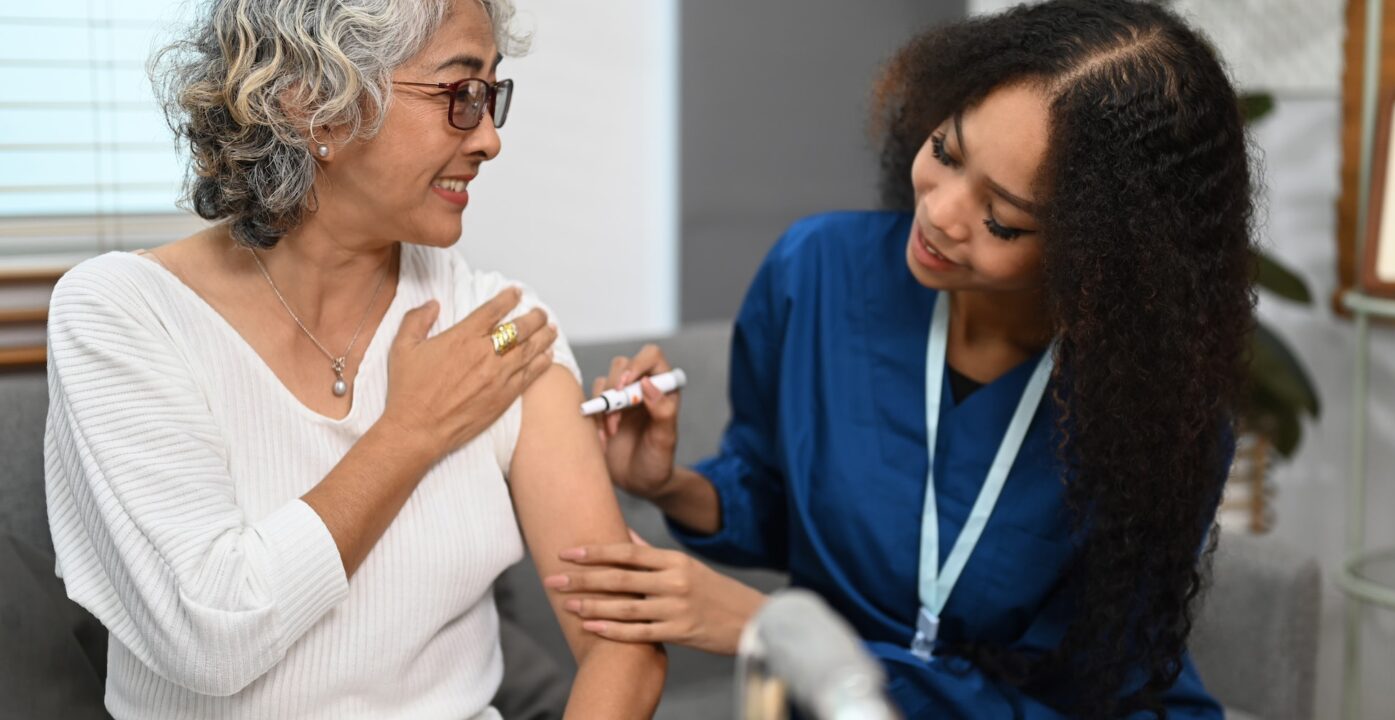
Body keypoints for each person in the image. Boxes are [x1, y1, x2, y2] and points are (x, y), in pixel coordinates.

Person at [550, 1, 1253, 717]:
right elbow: (773, 497)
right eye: (946, 151)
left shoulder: (1160, 417)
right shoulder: (815, 274)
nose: (941, 213)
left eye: (1002, 219)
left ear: (1098, 255)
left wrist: (766, 628)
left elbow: (1086, 697)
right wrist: (669, 485)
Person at [43, 0, 665, 717]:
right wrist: (410, 432)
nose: (490, 139)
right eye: (459, 95)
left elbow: (625, 639)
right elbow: (207, 634)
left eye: (492, 95)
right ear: (315, 105)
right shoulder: (121, 315)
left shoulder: (497, 331)